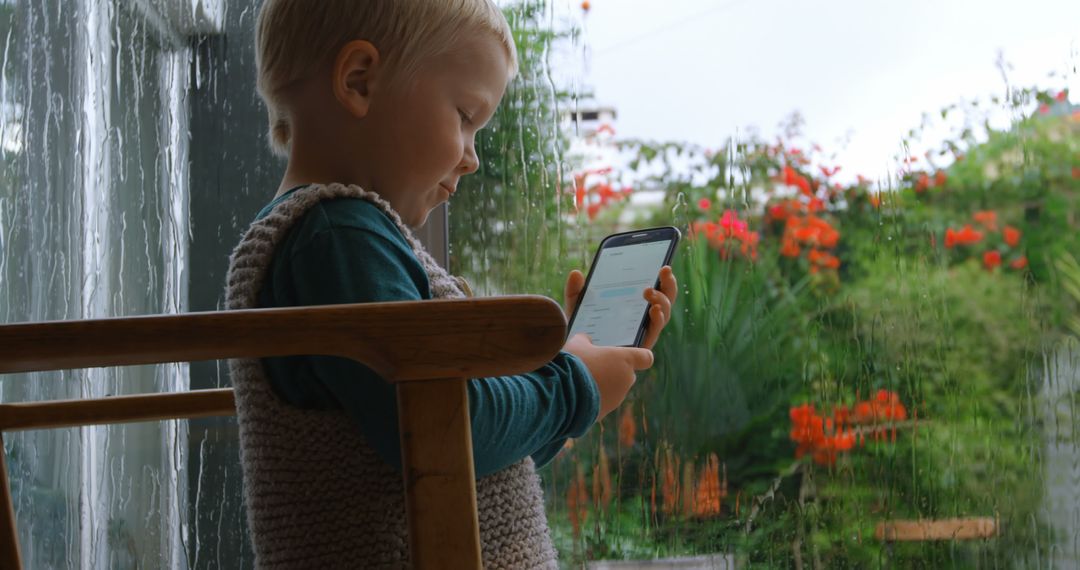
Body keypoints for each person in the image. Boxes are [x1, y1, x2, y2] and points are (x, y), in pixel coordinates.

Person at [224, 0, 678, 567]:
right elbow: (441, 427)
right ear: (359, 81)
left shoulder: (335, 238)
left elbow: (467, 458)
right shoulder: (337, 237)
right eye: (465, 117)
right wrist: (570, 384)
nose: (472, 159)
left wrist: (571, 384)